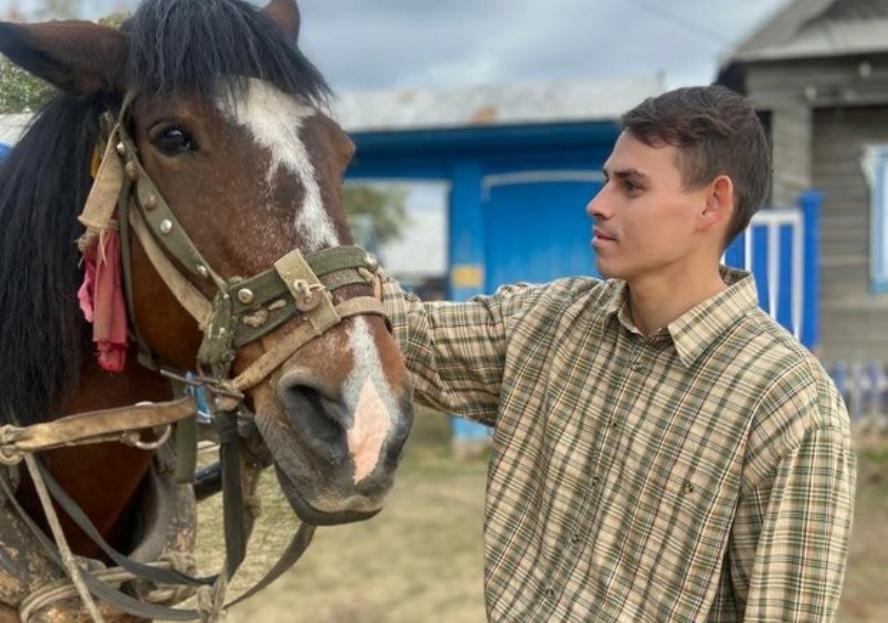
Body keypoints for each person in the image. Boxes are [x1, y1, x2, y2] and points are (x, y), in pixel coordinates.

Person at [381, 85, 855, 621]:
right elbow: (402, 331)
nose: (597, 203)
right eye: (608, 180)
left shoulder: (787, 403)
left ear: (712, 203)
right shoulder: (549, 323)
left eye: (631, 186)